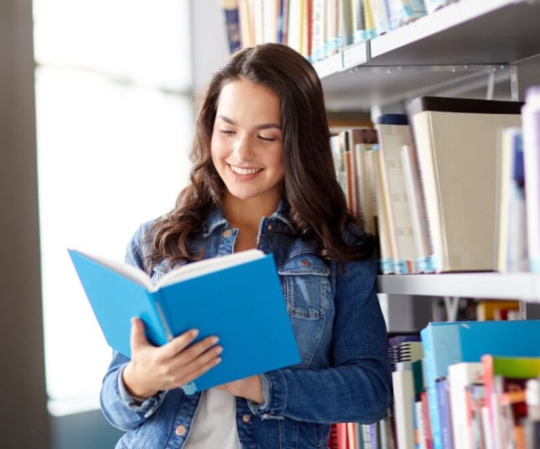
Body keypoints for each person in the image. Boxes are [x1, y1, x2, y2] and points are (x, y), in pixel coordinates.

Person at [99, 43, 392, 448]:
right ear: (209, 129)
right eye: (228, 130)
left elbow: (370, 393)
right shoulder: (157, 242)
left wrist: (258, 384)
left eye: (266, 136)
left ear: (297, 143)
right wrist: (140, 380)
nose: (241, 153)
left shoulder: (335, 251)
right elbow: (114, 408)